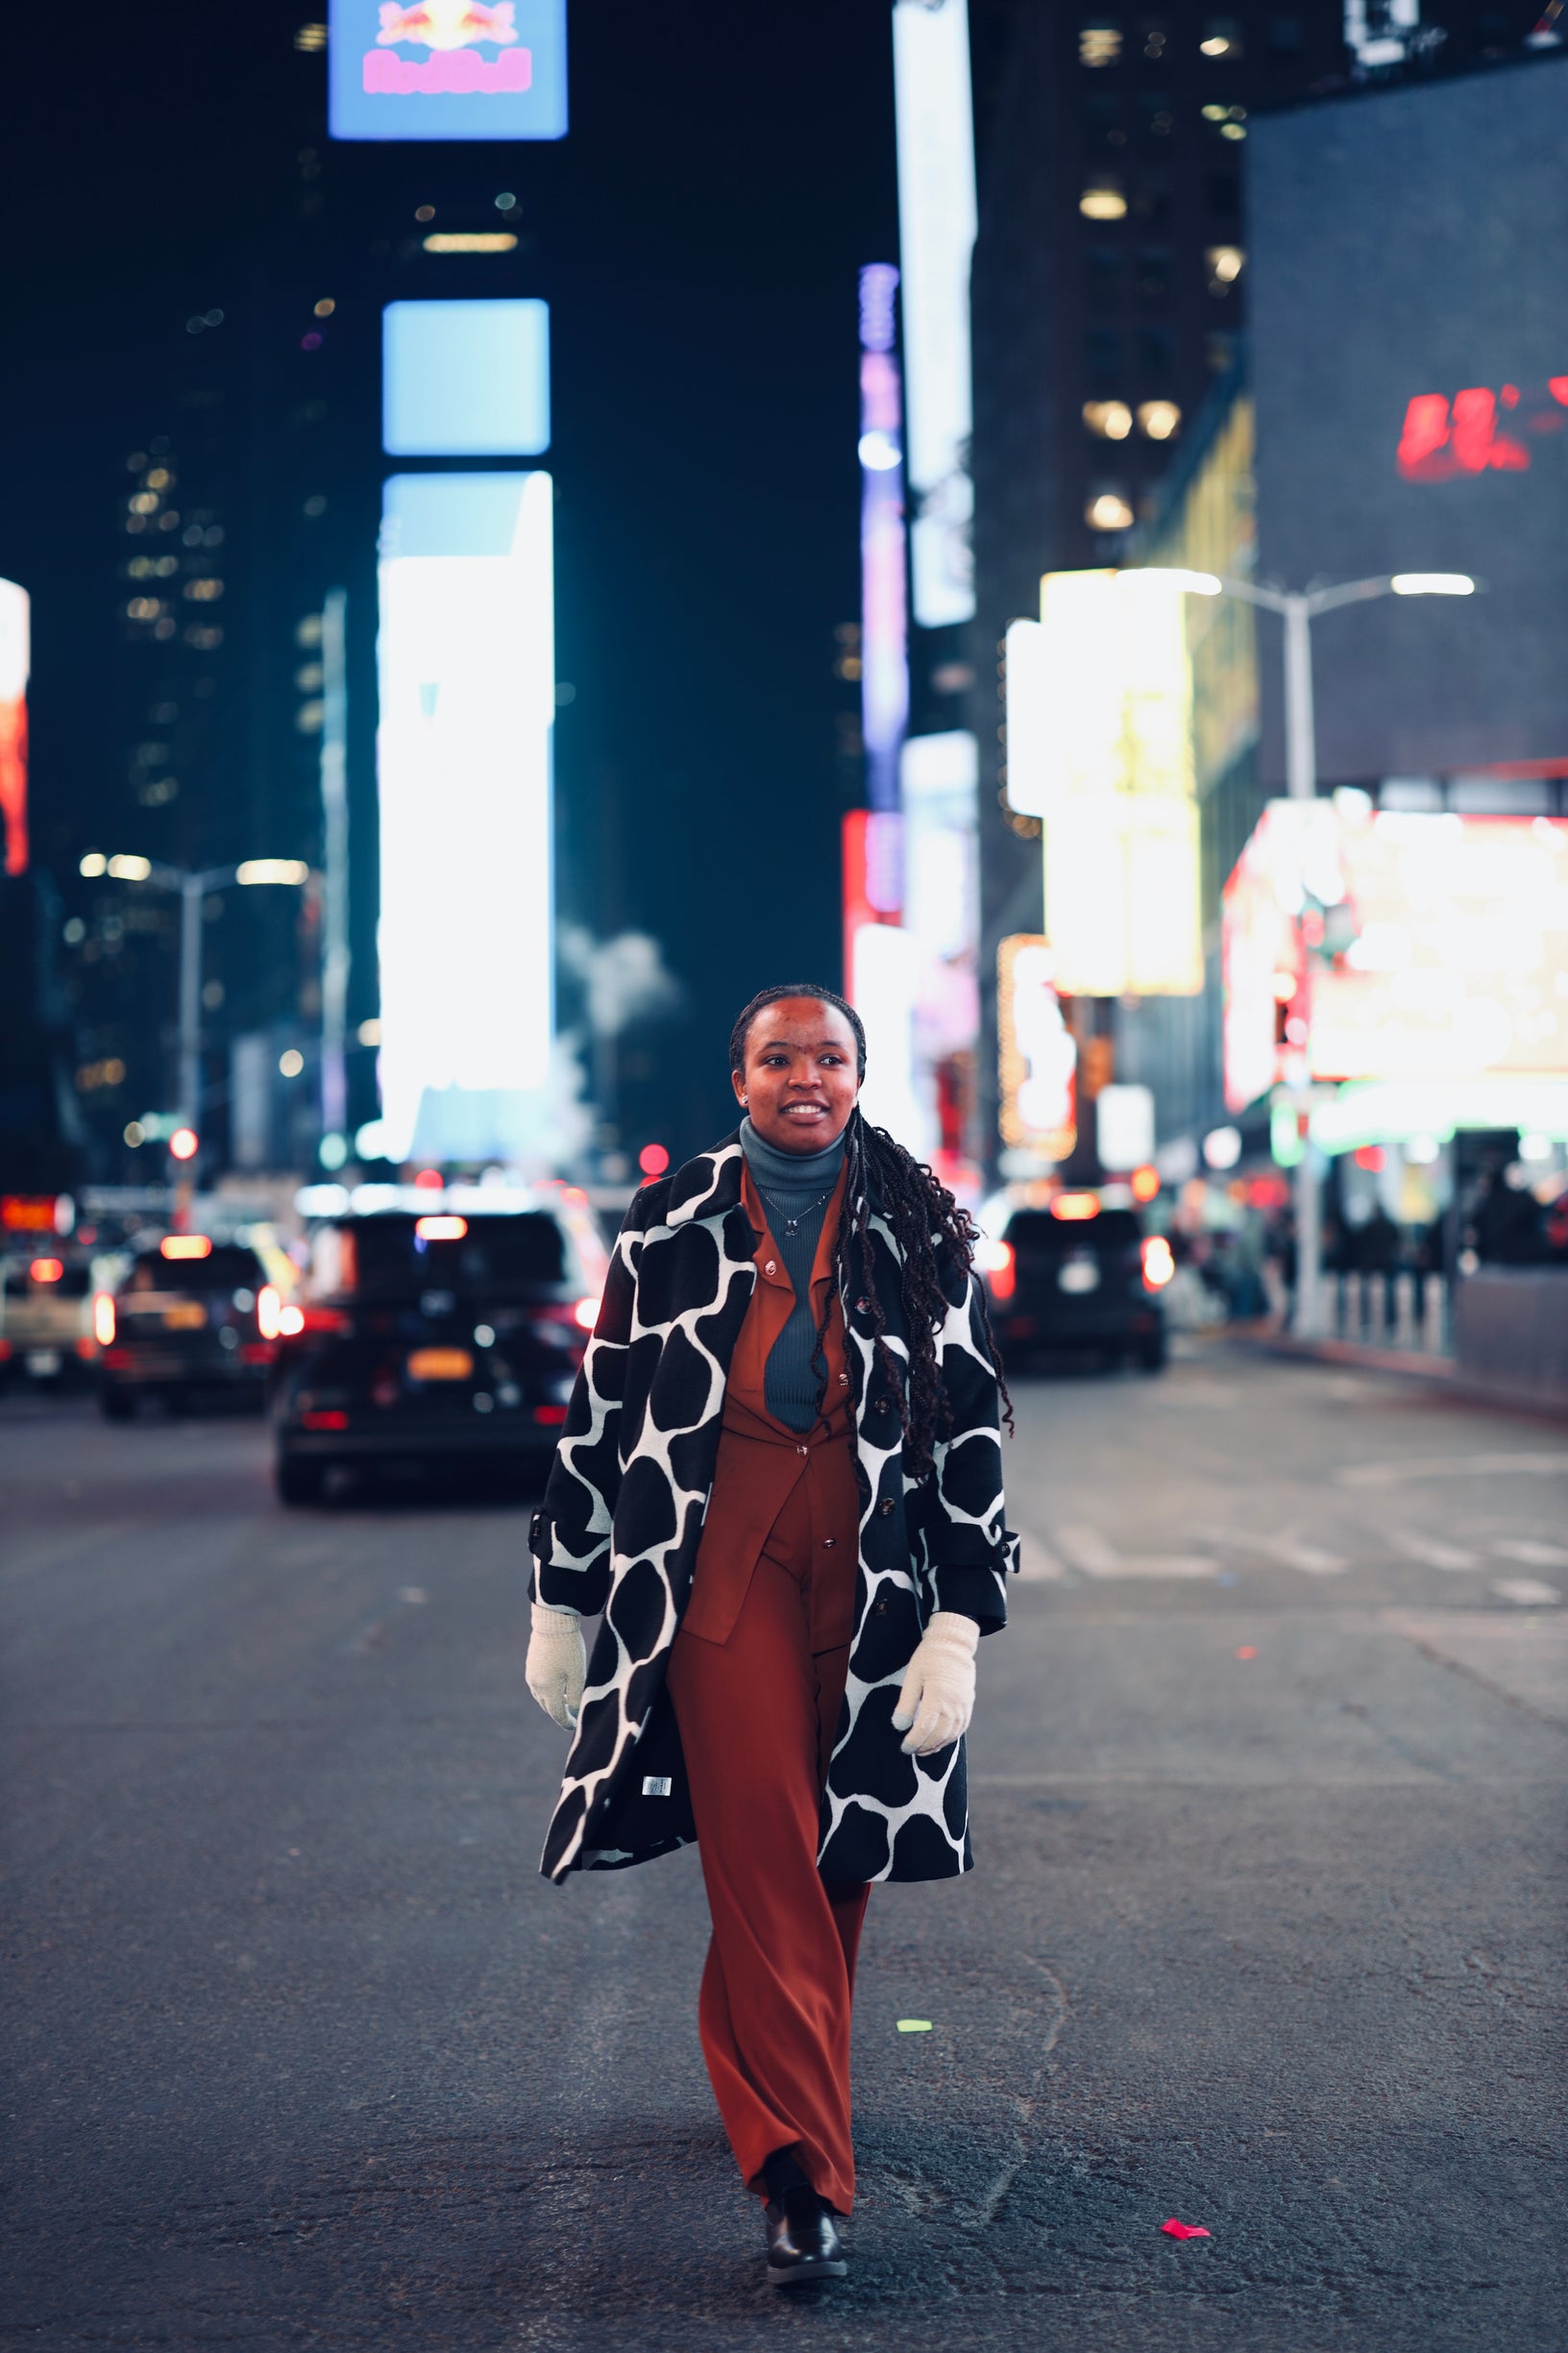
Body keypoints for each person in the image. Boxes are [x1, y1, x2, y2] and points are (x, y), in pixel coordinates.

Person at [524, 985, 1017, 2288]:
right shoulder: (668, 1223)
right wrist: (562, 1591)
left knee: (837, 1854)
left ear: (859, 1076)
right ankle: (801, 2178)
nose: (808, 1076)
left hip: (874, 1583)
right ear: (738, 1078)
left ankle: (772, 2077)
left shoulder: (920, 1229)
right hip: (716, 1579)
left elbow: (970, 1429)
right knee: (765, 1845)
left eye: (830, 1057)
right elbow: (606, 1410)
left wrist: (959, 1621)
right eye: (780, 1056)